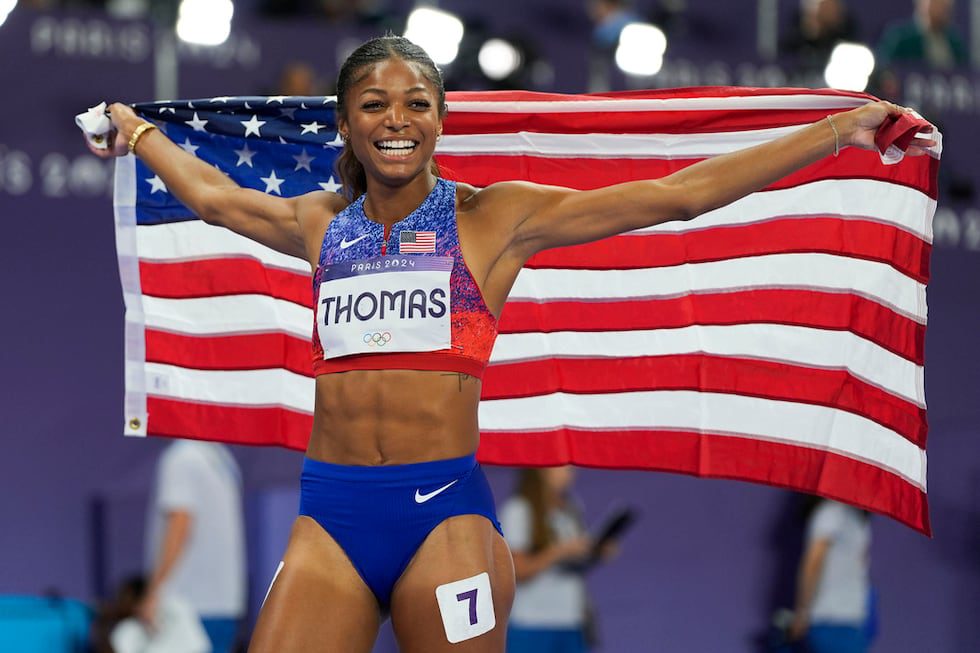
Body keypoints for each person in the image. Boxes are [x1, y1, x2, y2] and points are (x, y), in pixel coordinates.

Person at [87, 35, 933, 653]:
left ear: (440, 120)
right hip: (331, 513)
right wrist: (138, 130)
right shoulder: (319, 221)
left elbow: (675, 196)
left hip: (441, 518)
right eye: (374, 104)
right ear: (346, 123)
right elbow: (214, 197)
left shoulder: (493, 216)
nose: (396, 119)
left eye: (416, 103)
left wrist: (838, 132)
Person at [141, 440, 246, 653]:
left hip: (186, 605)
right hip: (224, 602)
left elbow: (180, 524)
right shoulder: (222, 458)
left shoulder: (182, 457)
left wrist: (154, 591)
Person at [500, 467, 599, 653]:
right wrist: (558, 552)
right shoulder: (519, 510)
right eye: (563, 465)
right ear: (541, 470)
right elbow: (517, 571)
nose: (571, 471)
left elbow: (573, 565)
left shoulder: (570, 508)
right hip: (532, 623)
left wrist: (595, 552)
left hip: (571, 621)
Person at [788, 499, 873, 653]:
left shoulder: (856, 518)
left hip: (850, 620)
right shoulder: (830, 513)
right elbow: (813, 562)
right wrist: (802, 611)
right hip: (829, 620)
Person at [877, 0, 967, 70]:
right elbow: (884, 69)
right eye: (936, 2)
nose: (941, 8)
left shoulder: (954, 42)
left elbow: (966, 71)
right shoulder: (901, 37)